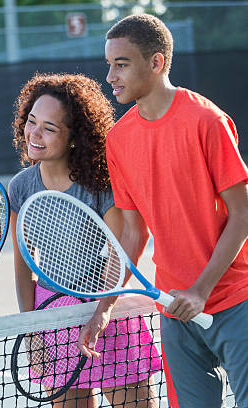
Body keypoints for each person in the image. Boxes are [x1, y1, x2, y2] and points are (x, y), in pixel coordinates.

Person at [77, 14, 248, 408]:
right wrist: (104, 310)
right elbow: (133, 235)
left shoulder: (207, 121)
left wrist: (201, 291)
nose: (110, 76)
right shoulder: (119, 140)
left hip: (236, 300)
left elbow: (241, 215)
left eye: (121, 64)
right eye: (109, 64)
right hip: (174, 311)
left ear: (156, 63)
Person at [9, 73, 162, 407]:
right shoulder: (20, 187)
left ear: (75, 137)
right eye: (31, 122)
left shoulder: (101, 184)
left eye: (49, 128)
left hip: (111, 311)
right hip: (53, 317)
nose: (35, 134)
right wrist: (32, 329)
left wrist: (102, 311)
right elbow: (23, 267)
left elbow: (119, 253)